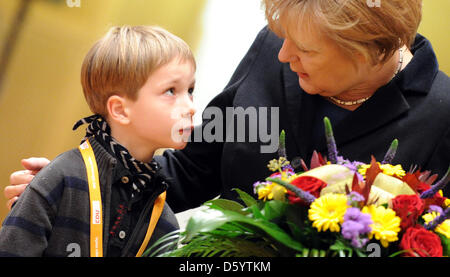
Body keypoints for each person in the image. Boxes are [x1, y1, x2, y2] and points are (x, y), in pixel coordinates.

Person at [5, 0, 450, 216]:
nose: (283, 55)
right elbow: (193, 172)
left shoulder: (440, 118)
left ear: (368, 51)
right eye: (283, 36)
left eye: (307, 50)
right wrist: (85, 191)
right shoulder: (273, 49)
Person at [0, 25, 197, 256]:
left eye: (191, 90)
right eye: (171, 91)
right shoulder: (61, 179)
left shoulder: (164, 221)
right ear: (120, 110)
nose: (191, 107)